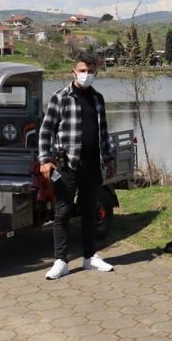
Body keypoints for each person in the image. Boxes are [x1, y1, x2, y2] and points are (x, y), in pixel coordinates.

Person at [38, 51, 116, 280]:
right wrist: (45, 160)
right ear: (74, 71)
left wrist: (109, 158)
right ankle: (61, 261)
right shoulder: (60, 97)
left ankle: (90, 257)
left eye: (91, 71)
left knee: (90, 211)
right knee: (62, 212)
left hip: (92, 164)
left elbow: (104, 132)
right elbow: (46, 130)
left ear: (96, 73)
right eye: (83, 71)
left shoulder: (98, 99)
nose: (86, 75)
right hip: (66, 165)